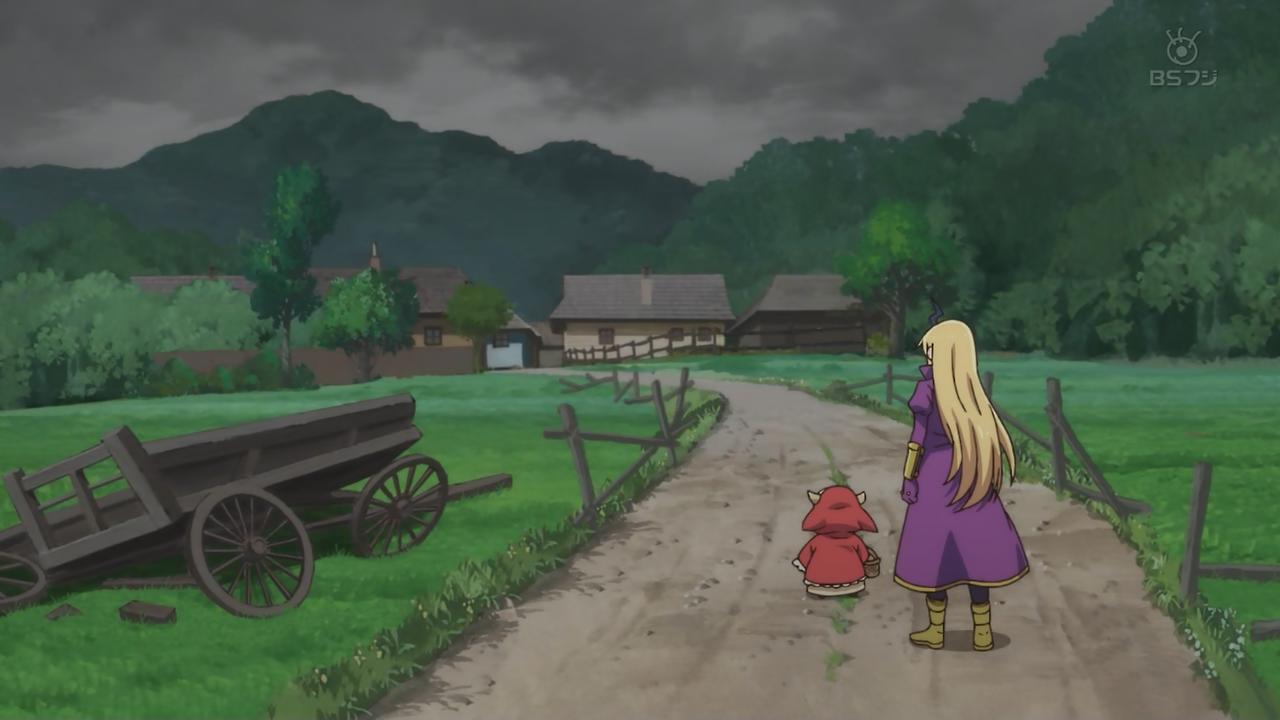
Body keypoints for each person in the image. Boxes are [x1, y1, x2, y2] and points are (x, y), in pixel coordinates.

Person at [893, 316, 1028, 651]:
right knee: (974, 555)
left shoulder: (927, 390)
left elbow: (917, 440)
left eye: (931, 351)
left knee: (934, 555)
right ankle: (982, 632)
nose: (926, 357)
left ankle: (936, 630)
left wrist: (909, 476)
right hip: (971, 472)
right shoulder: (970, 393)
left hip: (935, 477)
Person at [792, 485, 879, 597]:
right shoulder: (854, 540)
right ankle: (851, 591)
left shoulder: (817, 541)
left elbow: (804, 558)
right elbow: (864, 557)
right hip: (853, 579)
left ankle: (821, 592)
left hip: (819, 581)